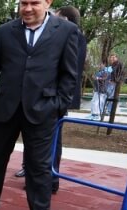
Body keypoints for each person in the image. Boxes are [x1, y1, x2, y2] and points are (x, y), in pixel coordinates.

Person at [0, 0, 79, 210]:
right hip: (5, 107)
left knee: (38, 168)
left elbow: (69, 74)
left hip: (42, 110)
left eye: (34, 3)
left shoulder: (66, 31)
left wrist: (57, 106)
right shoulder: (5, 31)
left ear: (48, 2)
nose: (27, 8)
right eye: (23, 3)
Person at [15, 4, 87, 194]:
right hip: (42, 97)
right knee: (35, 136)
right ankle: (31, 169)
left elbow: (70, 71)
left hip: (53, 98)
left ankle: (50, 179)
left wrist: (60, 101)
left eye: (56, 16)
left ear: (65, 19)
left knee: (52, 140)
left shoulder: (73, 36)